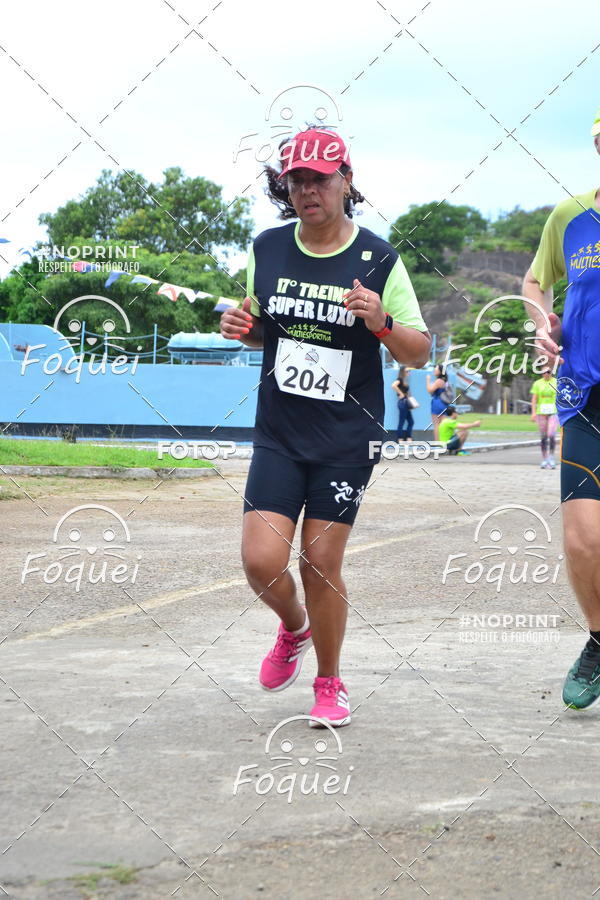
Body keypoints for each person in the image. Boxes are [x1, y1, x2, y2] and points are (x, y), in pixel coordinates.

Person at [220, 127, 430, 727]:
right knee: (261, 561)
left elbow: (417, 352)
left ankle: (330, 682)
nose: (309, 189)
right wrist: (244, 326)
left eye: (321, 177)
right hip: (280, 431)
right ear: (286, 187)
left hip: (347, 436)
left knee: (318, 562)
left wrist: (382, 322)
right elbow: (268, 326)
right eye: (298, 179)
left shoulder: (379, 257)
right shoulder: (268, 247)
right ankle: (295, 629)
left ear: (346, 180)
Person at [522, 107, 600, 709]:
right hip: (585, 393)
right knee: (582, 540)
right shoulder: (571, 215)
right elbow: (534, 283)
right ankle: (599, 639)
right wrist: (542, 324)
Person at [530, 369, 559, 469]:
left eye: (548, 372)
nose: (546, 374)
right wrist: (533, 412)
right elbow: (534, 399)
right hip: (541, 413)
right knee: (543, 436)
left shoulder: (556, 382)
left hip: (553, 412)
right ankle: (544, 459)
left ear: (552, 373)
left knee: (551, 434)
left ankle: (551, 458)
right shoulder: (537, 383)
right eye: (544, 372)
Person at [426, 364, 451, 440]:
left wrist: (428, 380)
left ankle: (438, 442)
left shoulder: (438, 381)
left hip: (437, 403)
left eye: (436, 369)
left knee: (436, 424)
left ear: (440, 371)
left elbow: (429, 390)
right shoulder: (444, 381)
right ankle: (445, 440)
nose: (434, 370)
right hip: (443, 403)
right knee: (443, 424)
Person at [392, 366, 413, 441]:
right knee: (402, 421)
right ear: (403, 372)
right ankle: (400, 438)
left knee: (411, 421)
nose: (408, 373)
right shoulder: (400, 379)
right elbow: (393, 385)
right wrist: (401, 393)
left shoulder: (404, 380)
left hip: (406, 402)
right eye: (407, 371)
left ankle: (408, 438)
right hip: (403, 403)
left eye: (409, 371)